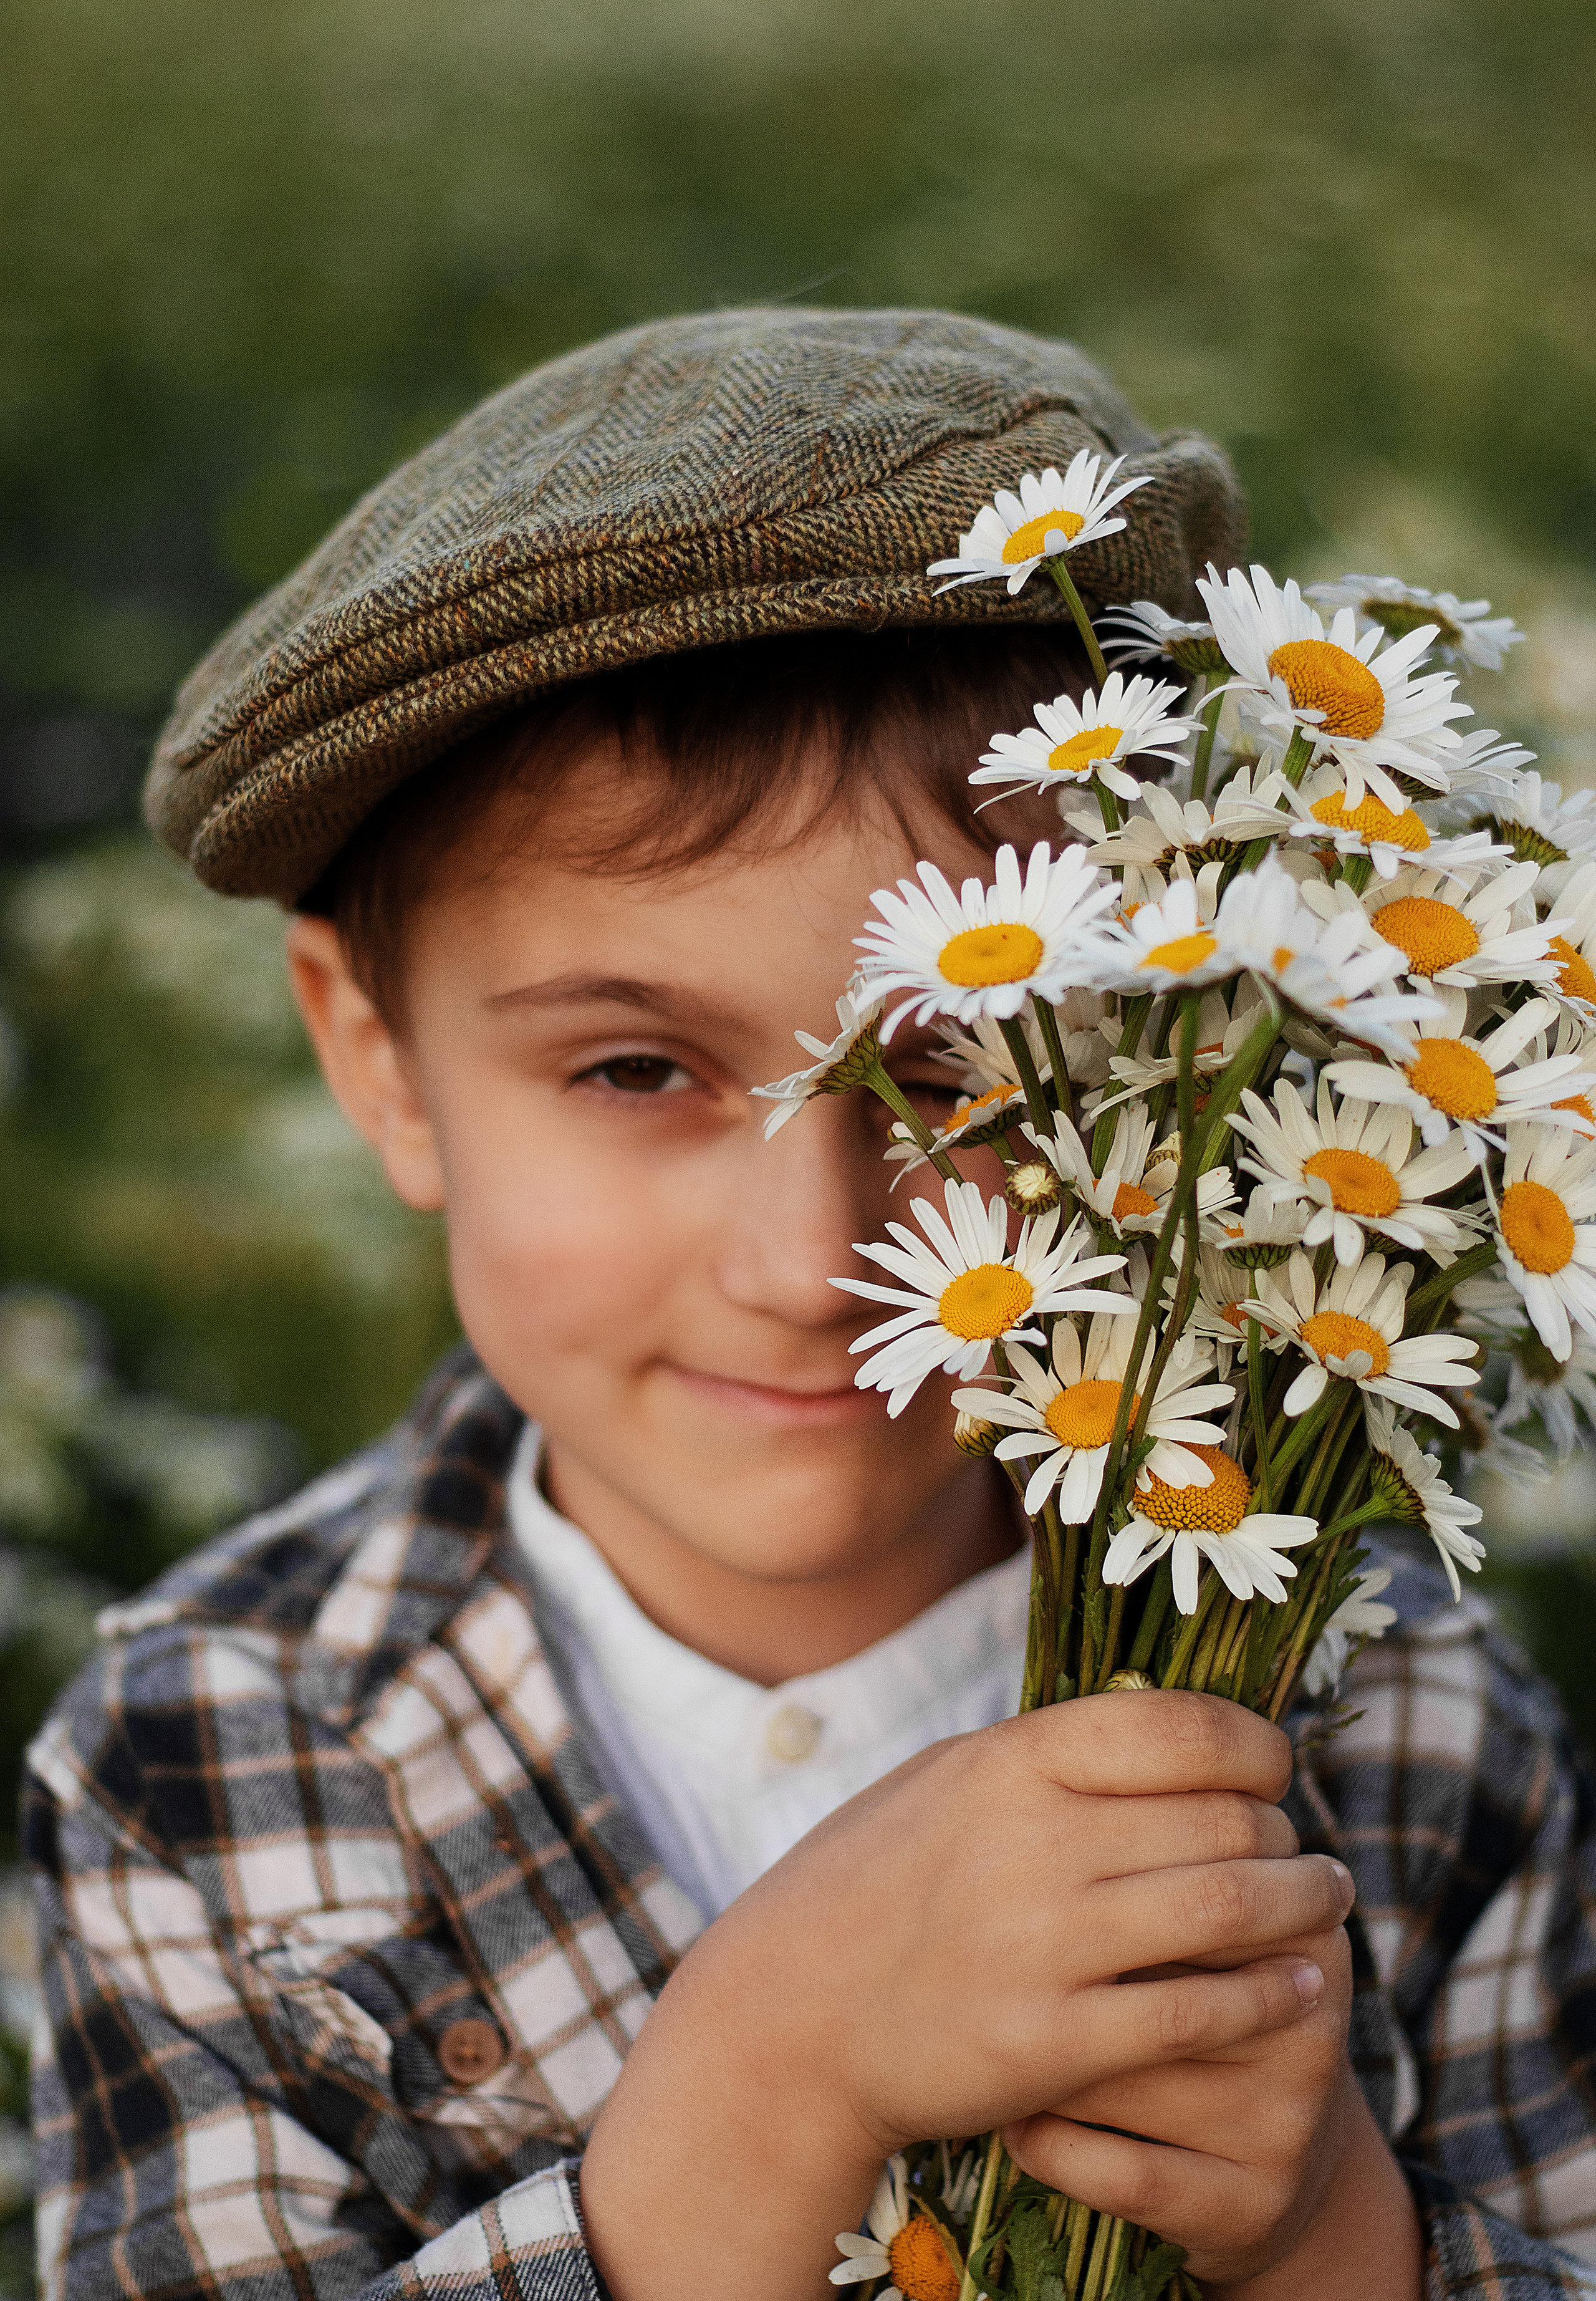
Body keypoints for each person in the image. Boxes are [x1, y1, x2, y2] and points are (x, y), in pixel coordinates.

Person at [24, 309, 1596, 2301]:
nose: (816, 1263)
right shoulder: (200, 1770)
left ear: (1193, 1032)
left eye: (962, 1078)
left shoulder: (1410, 1732)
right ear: (380, 1062)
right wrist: (760, 2100)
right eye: (633, 1070)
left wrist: (1327, 2244)